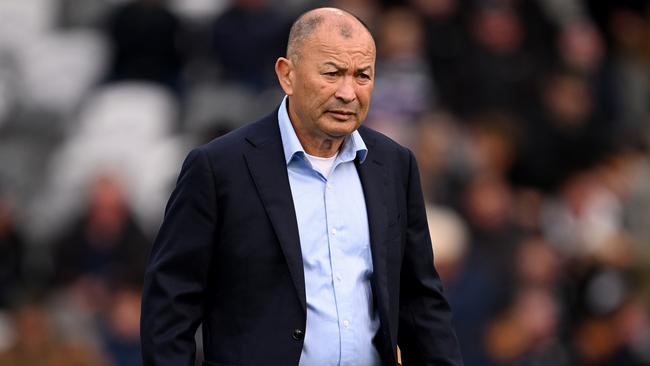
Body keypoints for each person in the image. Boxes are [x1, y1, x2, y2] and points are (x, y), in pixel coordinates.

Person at [141, 7, 463, 366]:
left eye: (362, 75)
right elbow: (170, 305)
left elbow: (421, 304)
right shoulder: (219, 168)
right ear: (287, 74)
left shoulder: (394, 164)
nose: (348, 92)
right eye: (332, 73)